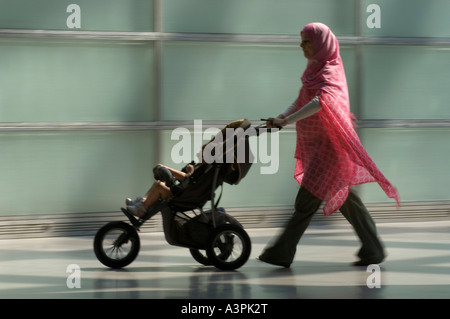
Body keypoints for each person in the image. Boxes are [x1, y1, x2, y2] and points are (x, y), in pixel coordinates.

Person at [258, 22, 400, 268]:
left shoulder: (330, 72)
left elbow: (320, 102)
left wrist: (287, 121)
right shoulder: (315, 69)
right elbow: (302, 99)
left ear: (321, 43)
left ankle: (281, 252)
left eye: (306, 41)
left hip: (331, 149)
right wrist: (282, 117)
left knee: (306, 202)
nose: (301, 46)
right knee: (347, 201)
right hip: (322, 148)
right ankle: (373, 249)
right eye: (301, 41)